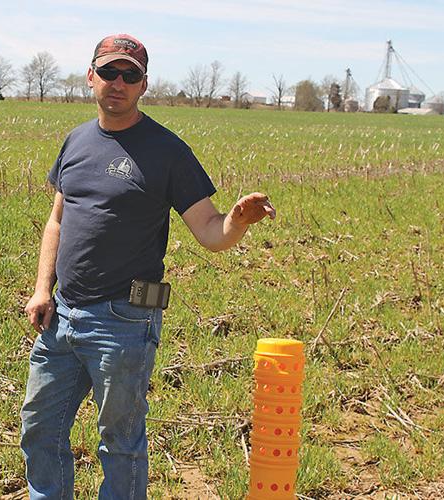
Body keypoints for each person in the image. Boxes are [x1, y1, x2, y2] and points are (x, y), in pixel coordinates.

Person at [20, 34, 276, 500]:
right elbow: (57, 220)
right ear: (90, 77)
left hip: (124, 319)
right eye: (109, 72)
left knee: (119, 443)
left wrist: (237, 221)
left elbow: (209, 231)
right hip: (61, 313)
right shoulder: (75, 141)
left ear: (143, 85)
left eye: (130, 74)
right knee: (40, 427)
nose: (117, 83)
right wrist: (43, 289)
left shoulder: (166, 151)